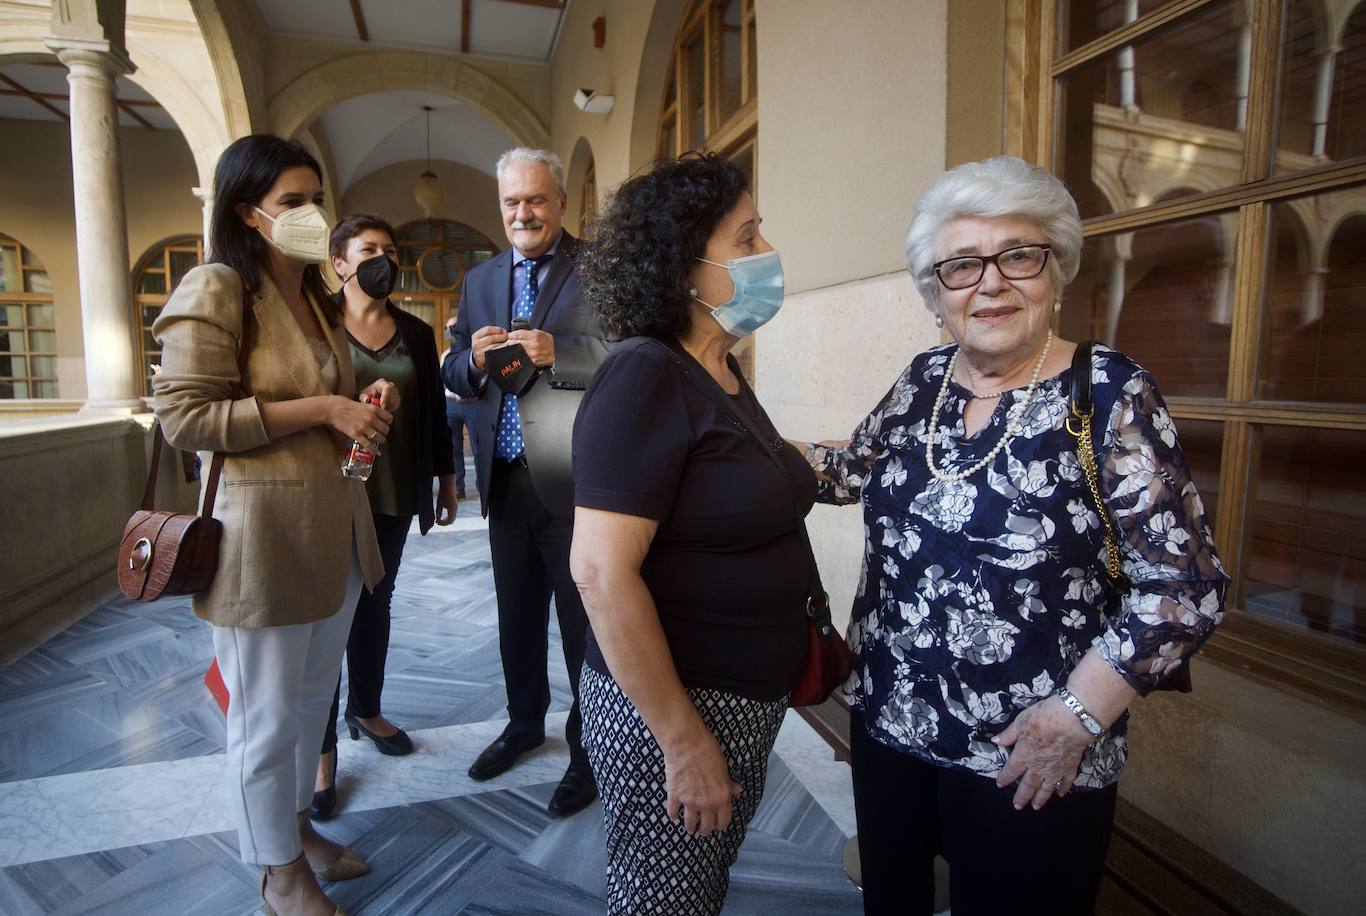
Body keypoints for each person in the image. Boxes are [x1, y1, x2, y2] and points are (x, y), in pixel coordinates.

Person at [798, 156, 1230, 915]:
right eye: (962, 265)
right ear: (935, 292)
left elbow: (1182, 588)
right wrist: (723, 429)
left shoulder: (1107, 392)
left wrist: (1076, 719)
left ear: (1055, 270)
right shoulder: (923, 380)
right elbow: (850, 469)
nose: (990, 283)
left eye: (1017, 256)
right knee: (892, 901)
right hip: (891, 724)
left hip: (1029, 752)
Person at [153, 135, 397, 916]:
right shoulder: (219, 286)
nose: (309, 213)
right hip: (261, 540)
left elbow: (324, 403)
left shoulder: (318, 297)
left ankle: (296, 832)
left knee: (308, 704)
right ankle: (277, 873)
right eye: (292, 201)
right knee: (263, 721)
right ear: (246, 212)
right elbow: (184, 417)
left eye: (313, 197)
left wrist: (358, 416)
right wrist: (326, 408)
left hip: (334, 533)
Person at [568, 152, 811, 915]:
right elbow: (601, 575)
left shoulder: (717, 369)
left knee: (697, 885)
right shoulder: (645, 373)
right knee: (662, 899)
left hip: (740, 695)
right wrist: (682, 742)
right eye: (746, 238)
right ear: (683, 270)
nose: (766, 253)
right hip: (675, 711)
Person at [440, 147, 608, 817]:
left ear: (561, 203)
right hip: (503, 478)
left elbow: (630, 354)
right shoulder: (480, 278)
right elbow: (452, 370)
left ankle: (588, 748)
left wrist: (559, 353)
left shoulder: (597, 269)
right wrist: (472, 361)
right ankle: (520, 725)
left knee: (579, 624)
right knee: (516, 617)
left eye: (536, 200)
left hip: (573, 480)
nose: (523, 213)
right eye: (512, 202)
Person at [309, 213, 459, 819]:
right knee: (325, 617)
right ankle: (321, 757)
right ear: (339, 263)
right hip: (324, 493)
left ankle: (364, 709)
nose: (383, 259)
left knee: (375, 602)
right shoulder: (313, 323)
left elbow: (433, 416)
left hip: (391, 491)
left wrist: (446, 480)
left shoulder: (416, 335)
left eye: (390, 250)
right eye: (369, 249)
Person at [440, 315, 481, 500]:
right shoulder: (445, 356)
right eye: (447, 328)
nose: (451, 332)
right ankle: (459, 488)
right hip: (451, 405)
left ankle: (482, 486)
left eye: (454, 327)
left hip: (472, 404)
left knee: (478, 448)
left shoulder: (475, 354)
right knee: (454, 449)